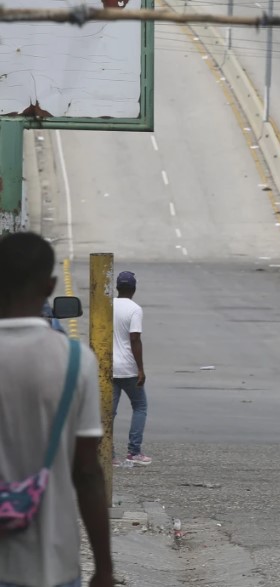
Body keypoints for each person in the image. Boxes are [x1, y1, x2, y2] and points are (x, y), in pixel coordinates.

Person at [0, 232, 113, 587]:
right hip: (54, 563)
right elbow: (88, 473)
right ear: (50, 285)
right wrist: (104, 568)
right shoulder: (76, 362)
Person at [112, 270, 151, 466]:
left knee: (109, 412)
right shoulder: (135, 309)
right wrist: (141, 369)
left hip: (107, 366)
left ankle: (108, 454)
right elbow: (135, 338)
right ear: (134, 289)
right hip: (127, 367)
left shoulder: (107, 305)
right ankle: (134, 451)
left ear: (117, 288)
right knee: (140, 406)